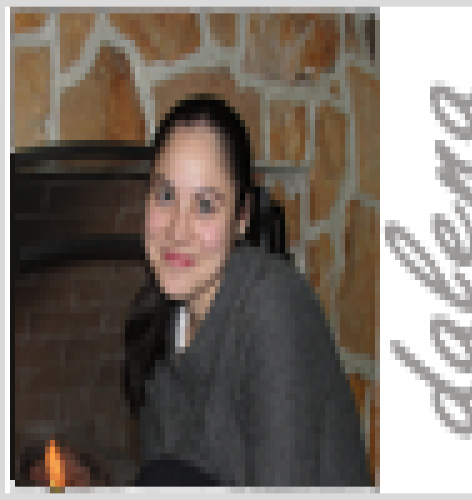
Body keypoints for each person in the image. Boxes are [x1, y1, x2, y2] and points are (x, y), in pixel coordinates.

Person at [123, 94, 370, 487]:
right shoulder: (160, 324)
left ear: (242, 217)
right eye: (166, 195)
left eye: (205, 205)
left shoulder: (274, 307)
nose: (177, 230)